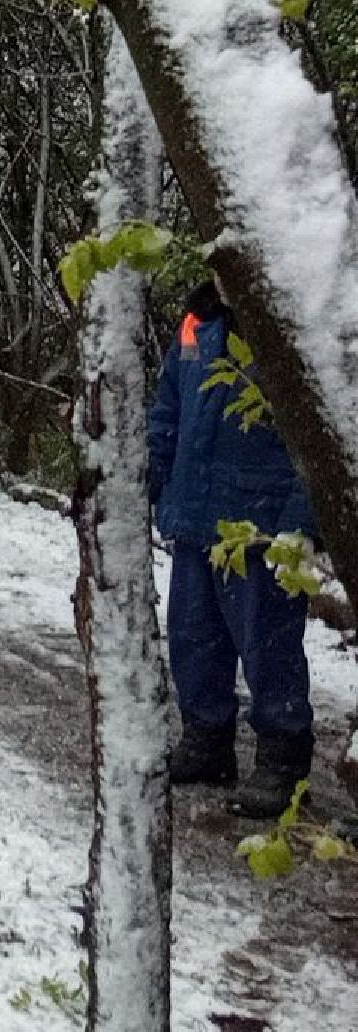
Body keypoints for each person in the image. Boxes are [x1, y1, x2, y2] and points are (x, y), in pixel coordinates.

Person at [148, 278, 317, 820]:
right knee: (194, 637)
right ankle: (207, 737)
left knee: (268, 645)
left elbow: (317, 438)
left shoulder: (292, 321)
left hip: (261, 523)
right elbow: (168, 408)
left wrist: (299, 524)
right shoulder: (198, 321)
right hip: (195, 512)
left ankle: (283, 759)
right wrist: (149, 478)